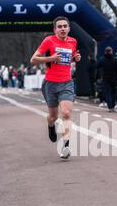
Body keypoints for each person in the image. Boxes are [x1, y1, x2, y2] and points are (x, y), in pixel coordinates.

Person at [30, 16, 81, 159]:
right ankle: (50, 125)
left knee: (66, 113)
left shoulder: (73, 41)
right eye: (60, 26)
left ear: (69, 28)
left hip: (66, 82)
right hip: (50, 84)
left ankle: (65, 146)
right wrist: (51, 58)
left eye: (65, 26)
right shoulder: (49, 41)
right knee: (53, 117)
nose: (63, 28)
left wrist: (75, 58)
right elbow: (33, 59)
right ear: (55, 29)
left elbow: (67, 58)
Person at [96, 46, 117, 112]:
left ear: (105, 52)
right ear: (111, 51)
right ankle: (113, 106)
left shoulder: (102, 59)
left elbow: (97, 66)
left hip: (106, 78)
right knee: (113, 93)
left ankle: (110, 107)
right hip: (113, 78)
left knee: (108, 93)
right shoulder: (115, 59)